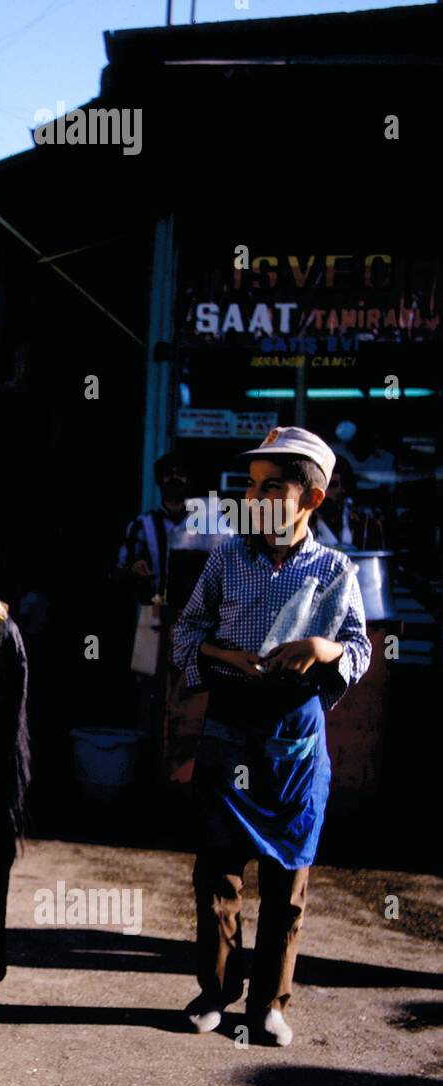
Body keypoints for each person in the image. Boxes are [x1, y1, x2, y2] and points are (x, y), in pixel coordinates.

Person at [171, 426, 371, 1048]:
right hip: (230, 729)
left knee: (288, 882)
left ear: (312, 500)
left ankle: (270, 1004)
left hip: (296, 743)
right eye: (251, 486)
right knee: (218, 874)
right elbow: (184, 635)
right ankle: (216, 992)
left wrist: (323, 647)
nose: (255, 498)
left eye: (272, 488)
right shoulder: (228, 556)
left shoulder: (336, 569)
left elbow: (361, 649)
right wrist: (225, 657)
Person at [115, 452, 191, 603]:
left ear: (188, 480)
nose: (174, 478)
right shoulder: (141, 524)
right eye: (168, 474)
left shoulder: (205, 525)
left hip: (196, 616)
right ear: (158, 480)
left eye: (180, 474)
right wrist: (134, 569)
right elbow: (120, 568)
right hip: (152, 612)